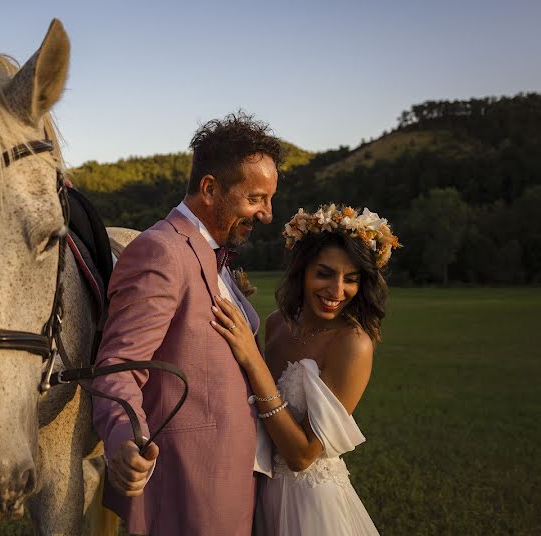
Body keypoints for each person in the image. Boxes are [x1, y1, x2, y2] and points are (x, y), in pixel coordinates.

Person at [92, 111, 284, 535]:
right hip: (190, 482)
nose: (267, 214)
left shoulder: (211, 251)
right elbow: (119, 367)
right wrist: (125, 438)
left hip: (235, 476)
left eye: (269, 200)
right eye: (255, 199)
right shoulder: (161, 251)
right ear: (211, 189)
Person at [211, 204, 401, 535]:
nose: (337, 291)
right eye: (325, 273)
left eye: (351, 279)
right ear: (302, 271)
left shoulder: (352, 343)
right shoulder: (276, 324)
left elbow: (301, 456)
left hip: (311, 503)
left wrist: (253, 361)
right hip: (261, 490)